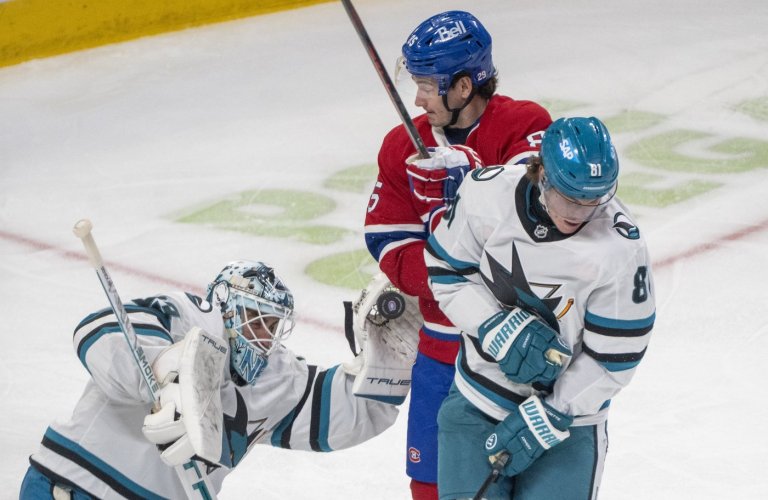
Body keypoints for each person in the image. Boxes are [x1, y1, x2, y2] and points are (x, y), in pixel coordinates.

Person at [19, 260, 419, 499]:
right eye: (256, 318)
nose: (263, 336)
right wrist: (165, 372)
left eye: (273, 326)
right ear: (225, 305)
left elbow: (339, 415)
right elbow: (100, 330)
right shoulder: (186, 315)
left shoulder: (276, 376)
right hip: (74, 486)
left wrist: (387, 366)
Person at [363, 10, 552, 499]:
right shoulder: (401, 146)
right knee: (430, 485)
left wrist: (465, 184)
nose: (418, 98)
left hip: (514, 352)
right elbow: (388, 240)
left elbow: (534, 233)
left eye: (428, 85)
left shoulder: (526, 125)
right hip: (441, 349)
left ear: (464, 86)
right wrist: (440, 275)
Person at [424, 117, 656, 499]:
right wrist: (491, 325)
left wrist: (554, 411)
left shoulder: (620, 248)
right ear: (541, 173)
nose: (579, 213)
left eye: (591, 200)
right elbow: (446, 270)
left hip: (568, 427)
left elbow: (616, 358)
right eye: (569, 198)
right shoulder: (486, 197)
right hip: (478, 402)